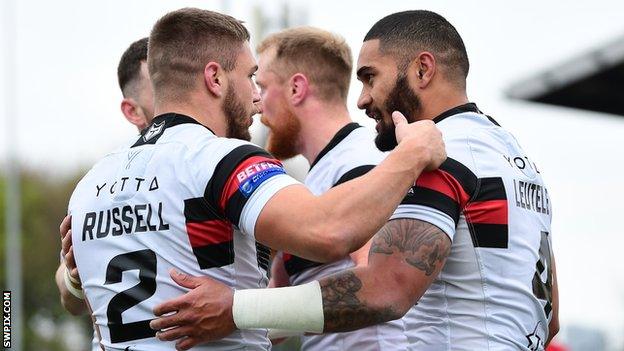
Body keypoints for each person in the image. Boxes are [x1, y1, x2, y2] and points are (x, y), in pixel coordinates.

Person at [151, 10, 560, 351]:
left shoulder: (436, 151)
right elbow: (551, 315)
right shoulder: (515, 157)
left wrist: (236, 309)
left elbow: (385, 288)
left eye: (370, 77)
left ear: (423, 69)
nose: (361, 98)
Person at [64, 8, 445, 351]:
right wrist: (413, 153)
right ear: (214, 78)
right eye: (250, 78)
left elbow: (74, 299)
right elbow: (330, 232)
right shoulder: (220, 159)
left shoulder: (90, 185)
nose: (256, 99)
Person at [256, 26, 411, 350]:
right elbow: (276, 315)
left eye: (263, 86)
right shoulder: (318, 177)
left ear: (297, 88)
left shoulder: (358, 161)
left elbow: (379, 283)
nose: (257, 103)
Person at [55, 37, 153, 350]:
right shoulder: (103, 183)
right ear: (133, 111)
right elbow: (67, 294)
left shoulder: (223, 165)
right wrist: (74, 275)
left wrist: (238, 312)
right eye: (163, 86)